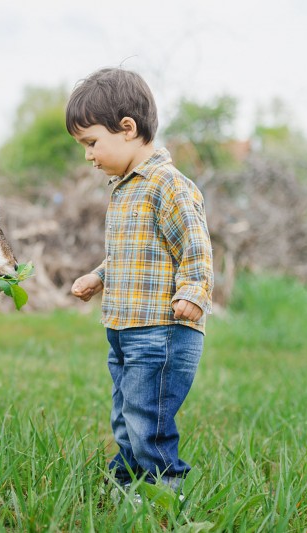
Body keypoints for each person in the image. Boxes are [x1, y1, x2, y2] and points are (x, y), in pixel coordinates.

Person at [66, 67, 214, 494]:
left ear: (126, 128)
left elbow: (195, 247)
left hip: (161, 330)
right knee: (126, 411)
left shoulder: (167, 185)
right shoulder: (124, 187)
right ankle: (129, 481)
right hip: (124, 328)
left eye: (91, 143)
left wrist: (192, 292)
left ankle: (165, 490)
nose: (88, 155)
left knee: (148, 416)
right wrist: (98, 276)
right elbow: (132, 256)